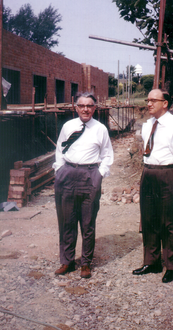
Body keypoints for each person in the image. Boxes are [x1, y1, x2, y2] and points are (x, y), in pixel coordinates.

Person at [133, 88, 173, 283]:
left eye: (154, 100)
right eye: (148, 100)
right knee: (149, 218)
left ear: (165, 103)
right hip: (149, 173)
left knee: (170, 221)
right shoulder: (147, 125)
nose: (149, 104)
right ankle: (151, 262)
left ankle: (171, 265)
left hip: (169, 173)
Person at [53, 91, 114, 278]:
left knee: (87, 223)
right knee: (66, 220)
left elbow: (107, 155)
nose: (85, 109)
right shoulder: (68, 126)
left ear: (95, 108)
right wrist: (59, 170)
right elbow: (60, 149)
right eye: (82, 105)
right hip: (67, 174)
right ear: (76, 107)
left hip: (89, 175)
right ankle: (67, 261)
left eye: (89, 106)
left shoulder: (100, 129)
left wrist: (99, 175)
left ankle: (85, 263)